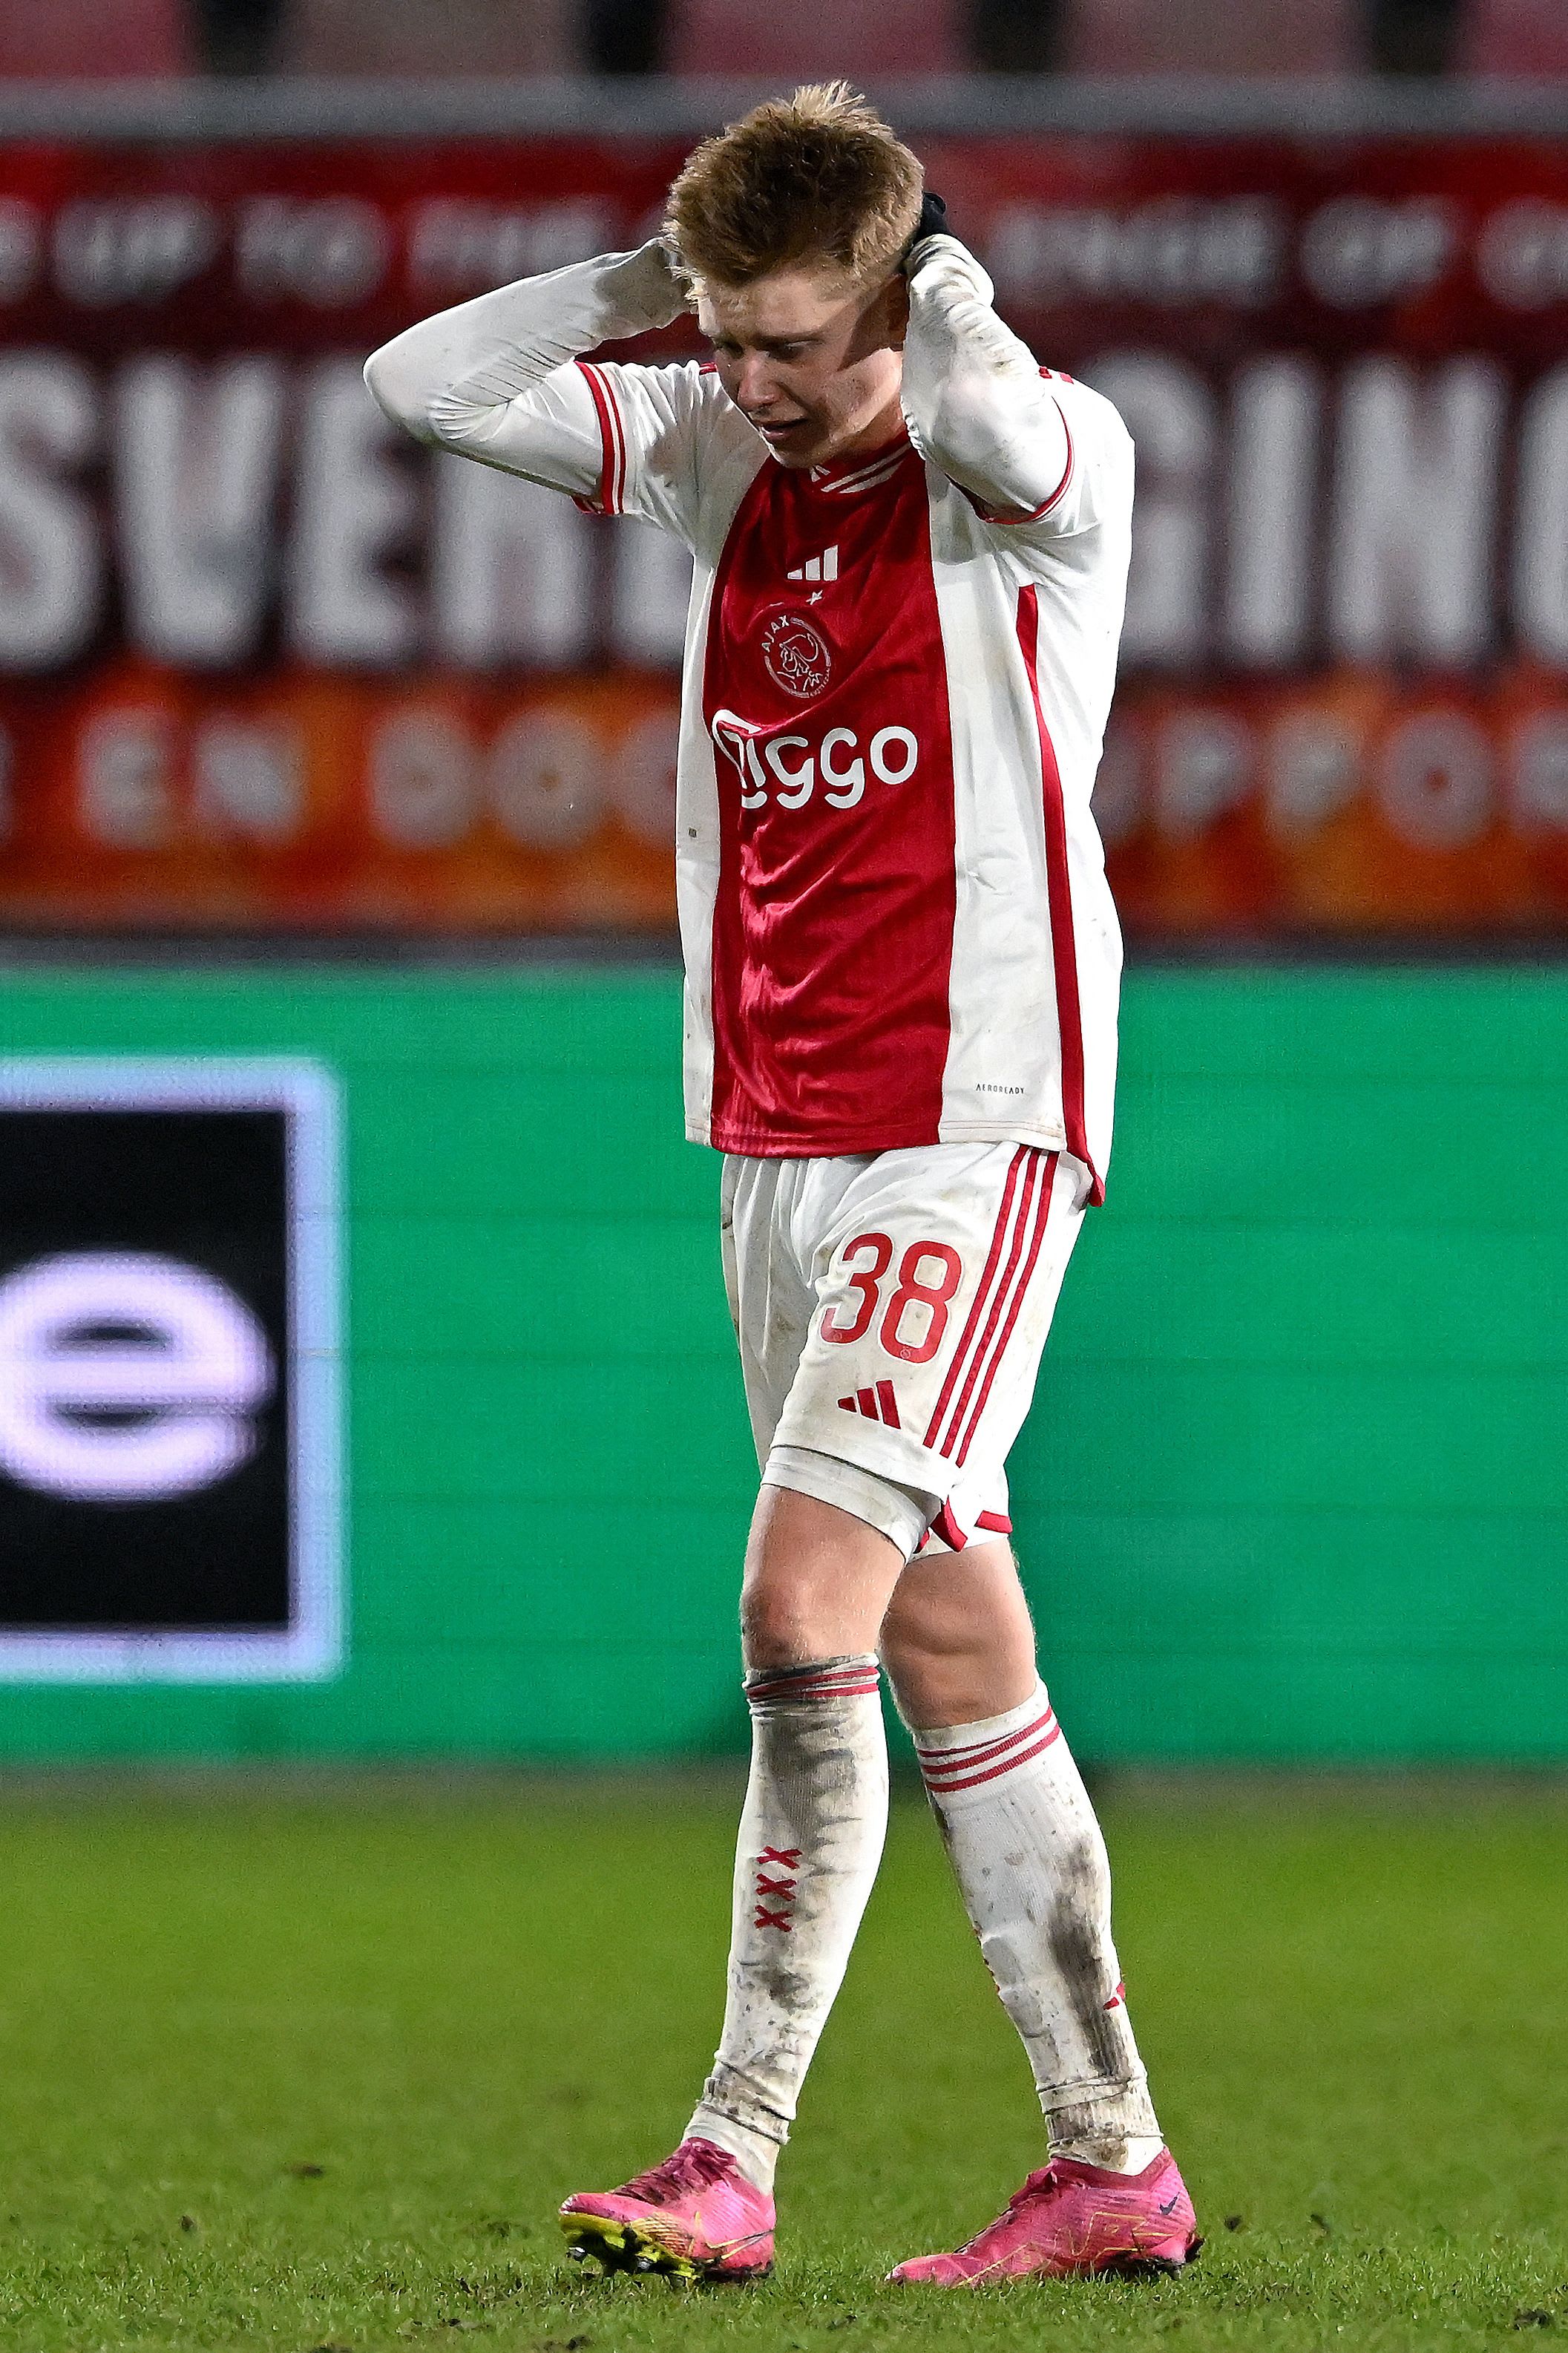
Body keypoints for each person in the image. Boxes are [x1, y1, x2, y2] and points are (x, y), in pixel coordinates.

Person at [365, 80, 1198, 2290]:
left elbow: (995, 424)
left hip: (972, 1107)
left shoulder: (1040, 463)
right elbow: (423, 383)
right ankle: (1110, 2164)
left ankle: (729, 2154)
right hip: (774, 1127)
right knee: (945, 1628)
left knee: (797, 1606)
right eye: (723, 338)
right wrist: (657, 285)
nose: (746, 380)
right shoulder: (719, 448)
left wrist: (940, 297)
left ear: (900, 307)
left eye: (793, 341)